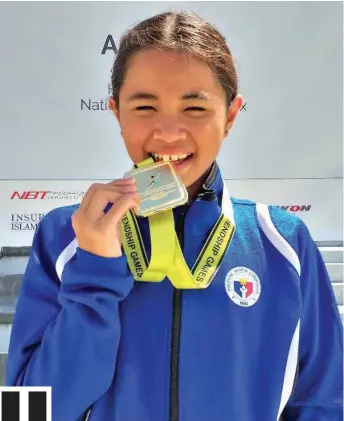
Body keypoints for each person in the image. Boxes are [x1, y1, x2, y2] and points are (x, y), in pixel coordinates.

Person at [6, 10, 343, 421]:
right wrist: (94, 271)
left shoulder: (282, 241)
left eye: (194, 108)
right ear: (115, 111)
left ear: (231, 114)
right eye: (145, 106)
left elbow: (324, 402)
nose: (168, 132)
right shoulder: (64, 235)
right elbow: (26, 411)